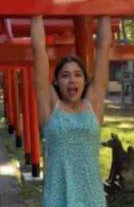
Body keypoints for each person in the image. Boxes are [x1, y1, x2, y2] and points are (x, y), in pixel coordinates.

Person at [31, 14, 111, 207]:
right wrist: (37, 10)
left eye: (77, 75)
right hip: (58, 199)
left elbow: (103, 49)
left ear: (85, 80)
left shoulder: (93, 104)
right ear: (57, 81)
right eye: (65, 76)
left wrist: (105, 7)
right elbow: (39, 50)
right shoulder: (51, 108)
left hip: (93, 199)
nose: (72, 80)